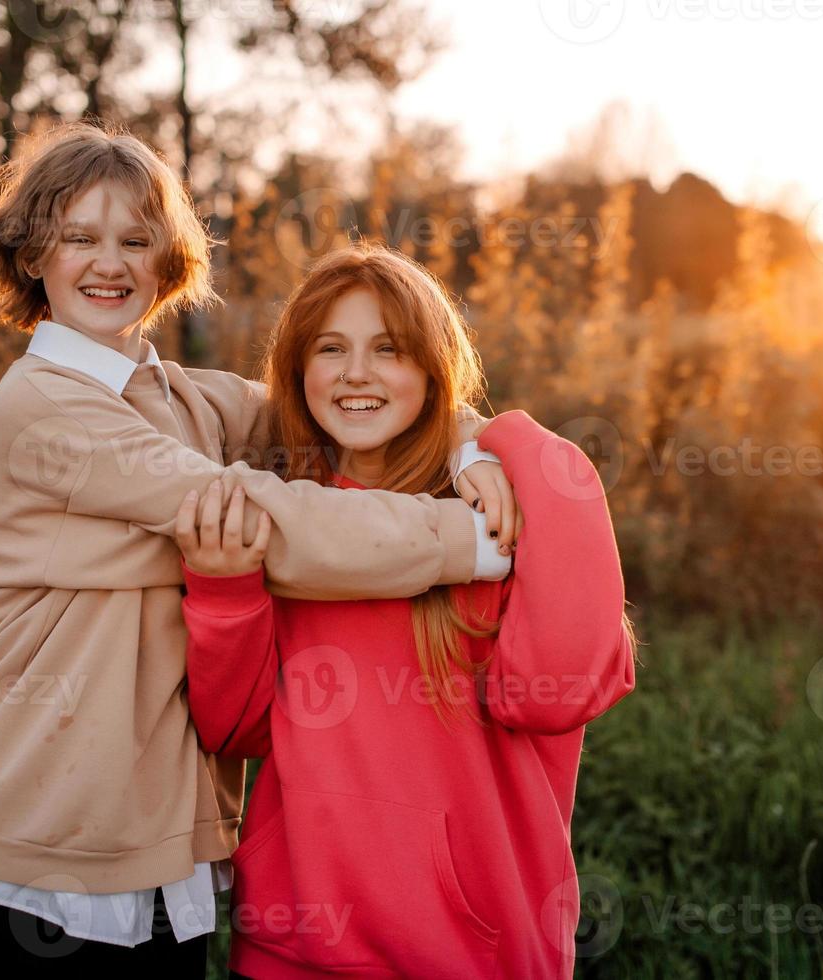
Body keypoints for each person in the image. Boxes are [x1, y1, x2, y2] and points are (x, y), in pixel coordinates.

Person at [0, 122, 517, 976]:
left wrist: (473, 442)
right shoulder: (37, 407)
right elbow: (257, 520)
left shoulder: (186, 398)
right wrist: (474, 542)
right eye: (79, 238)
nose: (109, 262)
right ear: (31, 255)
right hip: (30, 846)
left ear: (169, 263)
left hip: (168, 854)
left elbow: (338, 396)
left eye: (135, 240)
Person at [178, 243, 638, 979]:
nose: (355, 373)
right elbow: (236, 728)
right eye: (331, 349)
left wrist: (499, 438)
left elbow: (565, 689)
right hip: (292, 948)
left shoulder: (493, 512)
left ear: (432, 367)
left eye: (387, 349)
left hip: (474, 952)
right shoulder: (290, 524)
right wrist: (225, 592)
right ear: (299, 373)